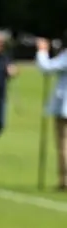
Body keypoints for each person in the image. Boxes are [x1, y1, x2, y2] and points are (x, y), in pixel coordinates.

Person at [35, 35, 67, 190]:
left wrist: (42, 51)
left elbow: (46, 67)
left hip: (64, 107)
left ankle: (65, 180)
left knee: (63, 144)